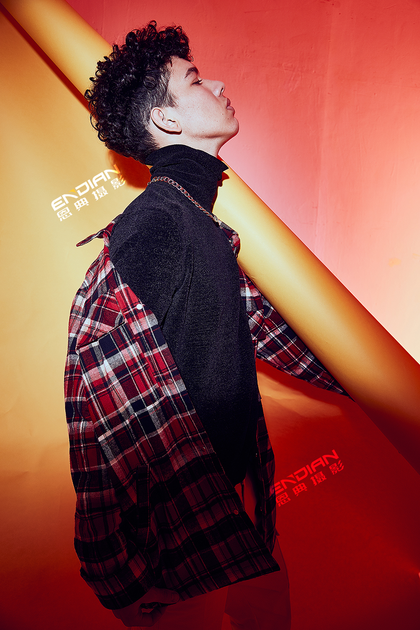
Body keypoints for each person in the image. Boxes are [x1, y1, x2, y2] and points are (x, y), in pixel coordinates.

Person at [64, 21, 347, 629]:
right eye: (194, 80)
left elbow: (274, 335)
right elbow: (98, 405)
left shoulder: (199, 221)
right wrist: (114, 572)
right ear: (167, 119)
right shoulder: (155, 226)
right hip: (180, 532)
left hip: (239, 503)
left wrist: (386, 388)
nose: (217, 83)